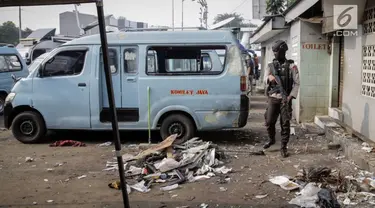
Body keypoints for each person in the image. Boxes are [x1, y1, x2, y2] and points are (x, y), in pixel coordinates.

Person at [263, 40, 300, 158]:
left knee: (285, 123)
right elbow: (264, 80)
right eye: (273, 52)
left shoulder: (292, 66)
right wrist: (269, 78)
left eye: (276, 52)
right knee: (269, 121)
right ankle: (271, 139)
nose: (275, 54)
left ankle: (283, 147)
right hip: (273, 98)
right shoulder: (271, 66)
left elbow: (297, 83)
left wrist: (290, 96)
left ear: (283, 51)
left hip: (286, 99)